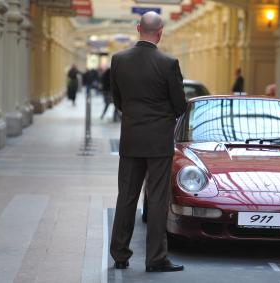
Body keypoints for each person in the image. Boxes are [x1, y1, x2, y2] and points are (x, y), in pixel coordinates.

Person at [110, 11, 186, 272]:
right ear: (160, 31)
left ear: (138, 28)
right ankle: (155, 258)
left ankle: (120, 254)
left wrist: (133, 116)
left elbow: (117, 100)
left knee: (126, 197)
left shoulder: (119, 60)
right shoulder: (168, 63)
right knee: (156, 199)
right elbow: (180, 106)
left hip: (131, 139)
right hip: (158, 142)